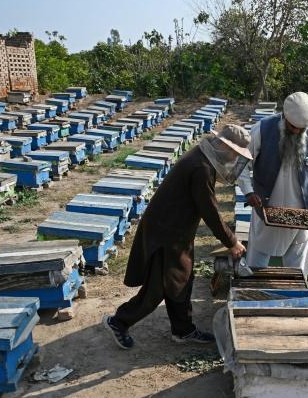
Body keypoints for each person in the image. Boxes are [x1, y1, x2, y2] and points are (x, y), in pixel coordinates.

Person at [104, 124, 251, 349]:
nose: (234, 159)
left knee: (182, 278)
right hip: (166, 232)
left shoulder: (201, 157)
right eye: (234, 153)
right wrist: (232, 242)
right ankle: (119, 321)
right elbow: (209, 211)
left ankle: (183, 330)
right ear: (223, 145)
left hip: (177, 231)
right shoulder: (201, 167)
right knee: (159, 287)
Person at [237, 92, 308, 276]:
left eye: (301, 128)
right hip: (266, 210)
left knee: (297, 269)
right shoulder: (262, 129)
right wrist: (249, 192)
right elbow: (241, 164)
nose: (297, 131)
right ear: (284, 116)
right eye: (293, 127)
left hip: (301, 215)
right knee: (257, 265)